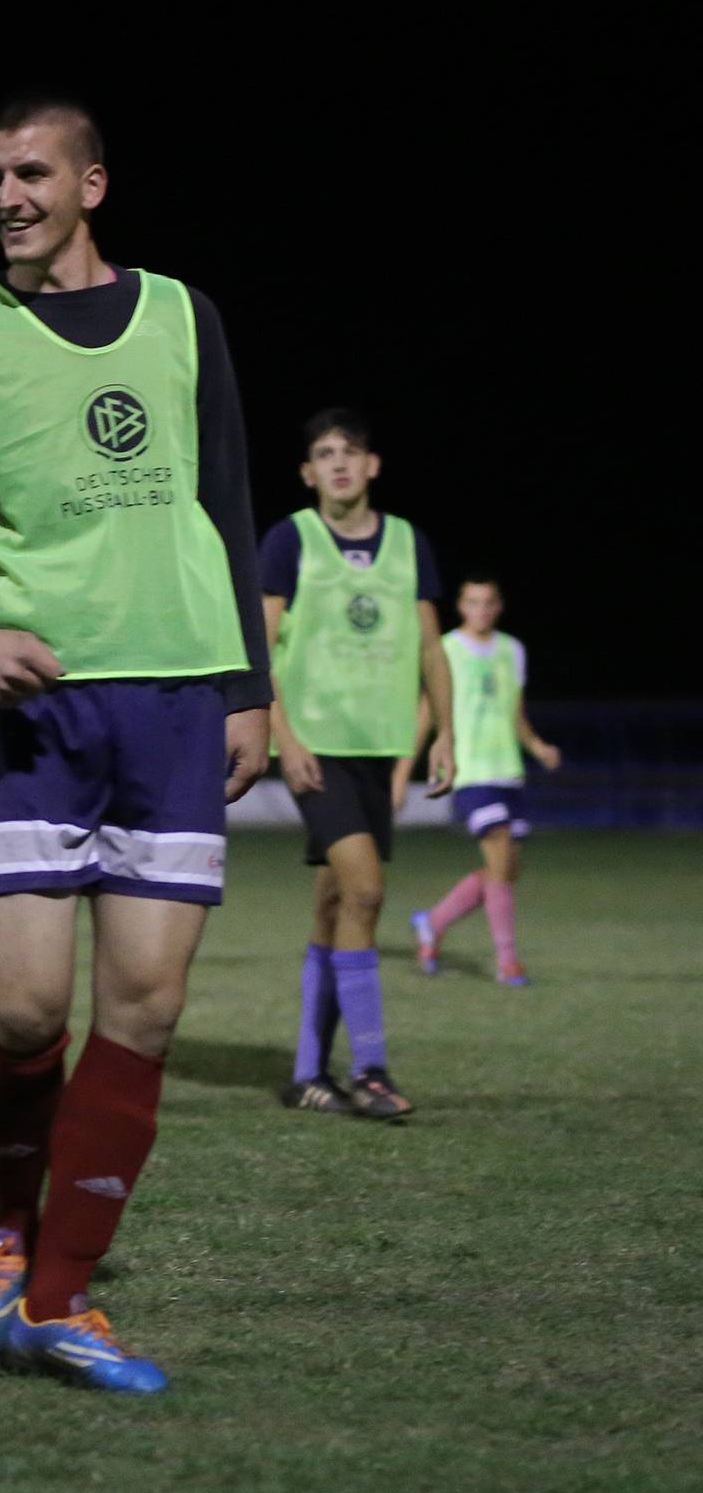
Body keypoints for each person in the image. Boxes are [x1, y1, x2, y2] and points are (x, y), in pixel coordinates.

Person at [0, 94, 271, 1392]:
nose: (7, 195)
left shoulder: (182, 315)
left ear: (92, 182)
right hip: (29, 710)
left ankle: (61, 1291)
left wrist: (250, 687)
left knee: (146, 1006)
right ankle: (6, 1228)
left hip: (170, 701)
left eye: (32, 172)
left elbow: (226, 500)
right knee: (27, 1004)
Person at [264, 408, 453, 1120]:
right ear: (309, 474)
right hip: (318, 751)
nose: (339, 463)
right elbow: (263, 646)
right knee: (367, 892)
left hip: (378, 750)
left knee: (337, 902)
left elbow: (432, 648)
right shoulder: (292, 540)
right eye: (324, 453)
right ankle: (371, 1069)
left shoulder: (407, 543)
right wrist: (287, 736)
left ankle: (309, 1075)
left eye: (351, 451)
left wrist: (443, 734)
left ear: (372, 465)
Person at [406, 576, 560, 985]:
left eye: (488, 601)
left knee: (505, 870)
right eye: (473, 601)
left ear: (498, 606)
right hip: (470, 772)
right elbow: (426, 712)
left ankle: (433, 923)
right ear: (461, 606)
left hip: (508, 770)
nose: (481, 609)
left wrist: (537, 746)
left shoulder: (513, 650)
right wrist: (403, 771)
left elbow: (515, 713)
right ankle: (507, 960)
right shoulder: (448, 650)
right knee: (499, 861)